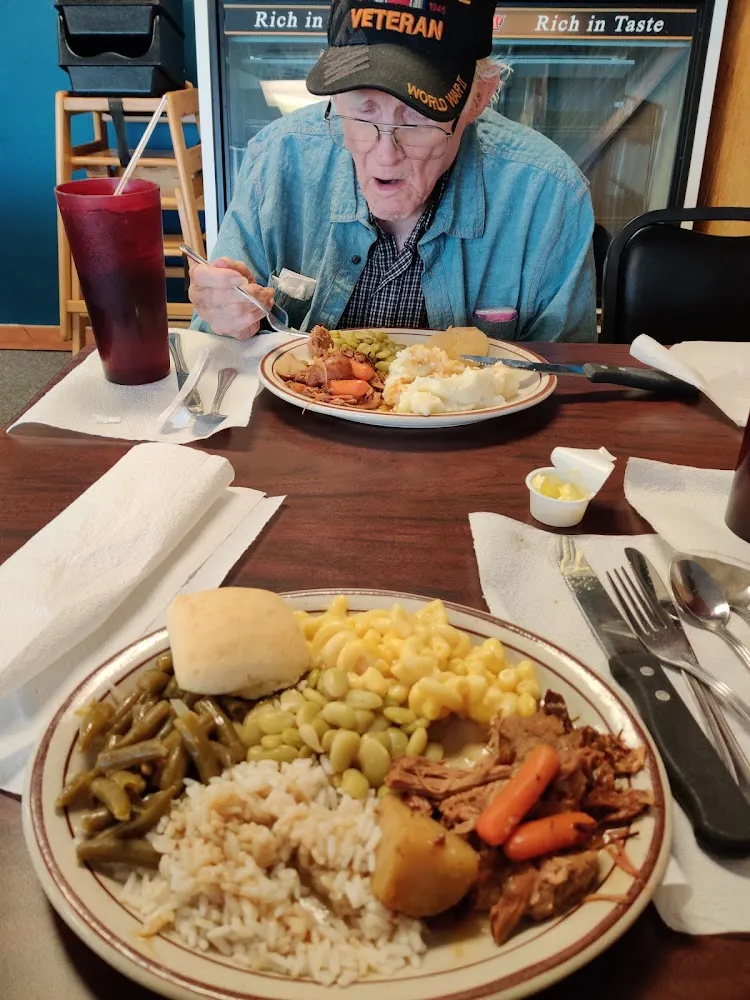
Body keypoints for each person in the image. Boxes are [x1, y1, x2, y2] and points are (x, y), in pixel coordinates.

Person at [189, 0, 597, 343]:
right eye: (362, 109)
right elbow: (211, 348)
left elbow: (564, 388)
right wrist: (223, 315)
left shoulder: (548, 194)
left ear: (478, 99)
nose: (385, 156)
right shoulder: (277, 159)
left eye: (417, 118)